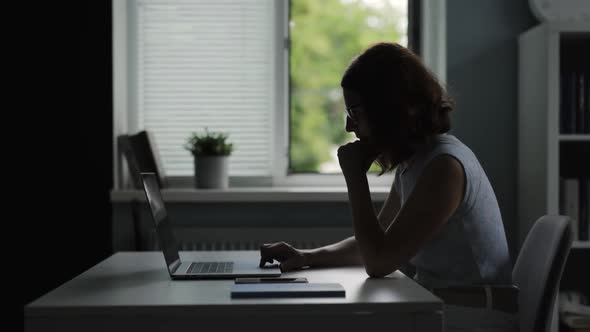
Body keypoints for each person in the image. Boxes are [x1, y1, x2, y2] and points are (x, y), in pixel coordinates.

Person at [259, 42, 518, 331]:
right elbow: (374, 244)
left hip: (478, 318)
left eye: (355, 112)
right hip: (444, 308)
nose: (348, 126)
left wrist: (355, 177)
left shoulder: (444, 166)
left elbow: (378, 261)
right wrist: (306, 256)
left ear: (387, 110)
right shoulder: (416, 162)